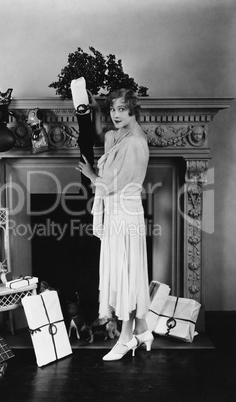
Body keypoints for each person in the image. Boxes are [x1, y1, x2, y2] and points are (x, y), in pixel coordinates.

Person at [76, 88, 153, 361]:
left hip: (126, 214)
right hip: (117, 212)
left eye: (122, 109)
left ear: (133, 110)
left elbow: (112, 185)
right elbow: (103, 136)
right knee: (123, 271)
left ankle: (126, 337)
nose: (116, 115)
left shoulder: (134, 143)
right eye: (113, 109)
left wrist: (90, 174)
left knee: (125, 274)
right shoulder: (120, 135)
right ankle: (143, 330)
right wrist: (97, 109)